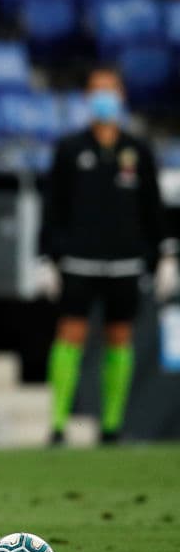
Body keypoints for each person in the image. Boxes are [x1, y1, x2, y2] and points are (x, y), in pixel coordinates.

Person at [37, 65, 179, 444]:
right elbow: (53, 206)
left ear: (122, 96)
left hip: (125, 260)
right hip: (78, 260)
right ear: (87, 98)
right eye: (97, 90)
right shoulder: (69, 149)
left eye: (110, 90)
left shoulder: (138, 150)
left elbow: (153, 207)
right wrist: (45, 257)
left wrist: (166, 254)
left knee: (120, 337)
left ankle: (111, 426)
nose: (104, 99)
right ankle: (58, 425)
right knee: (70, 334)